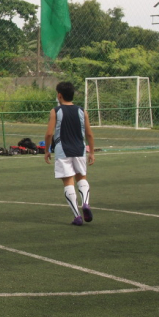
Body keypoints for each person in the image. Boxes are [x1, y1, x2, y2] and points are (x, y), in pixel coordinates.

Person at [44, 81, 94, 226]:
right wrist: (91, 152)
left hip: (62, 150)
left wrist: (47, 150)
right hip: (80, 149)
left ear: (59, 95)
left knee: (68, 181)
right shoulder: (82, 111)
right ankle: (85, 202)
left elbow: (49, 134)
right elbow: (89, 133)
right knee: (81, 177)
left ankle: (77, 216)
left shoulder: (56, 111)